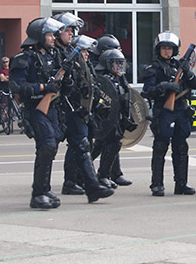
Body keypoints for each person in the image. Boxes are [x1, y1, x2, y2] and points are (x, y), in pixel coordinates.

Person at [52, 12, 114, 203]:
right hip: (60, 108)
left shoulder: (72, 52)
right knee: (49, 148)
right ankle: (45, 188)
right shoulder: (54, 53)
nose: (71, 34)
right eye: (67, 30)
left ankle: (87, 185)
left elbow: (83, 80)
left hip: (76, 109)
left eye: (72, 31)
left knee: (81, 145)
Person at [9, 17, 66, 209]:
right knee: (47, 145)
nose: (52, 38)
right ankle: (38, 194)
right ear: (39, 36)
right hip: (35, 109)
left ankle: (44, 187)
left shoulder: (54, 55)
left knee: (52, 146)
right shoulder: (24, 58)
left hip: (53, 108)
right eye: (49, 34)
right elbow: (17, 86)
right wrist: (43, 87)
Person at [142, 32, 196, 196]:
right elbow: (147, 91)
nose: (167, 51)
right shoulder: (153, 68)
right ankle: (157, 184)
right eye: (164, 48)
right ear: (158, 50)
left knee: (181, 147)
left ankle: (181, 184)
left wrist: (188, 72)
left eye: (170, 48)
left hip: (181, 110)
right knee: (160, 147)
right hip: (164, 111)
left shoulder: (180, 66)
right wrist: (165, 86)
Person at [92, 42, 134, 188]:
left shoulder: (119, 79)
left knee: (113, 144)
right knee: (101, 145)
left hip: (117, 118)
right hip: (104, 119)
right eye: (116, 64)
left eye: (120, 64)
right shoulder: (102, 80)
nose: (119, 67)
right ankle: (95, 174)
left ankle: (104, 174)